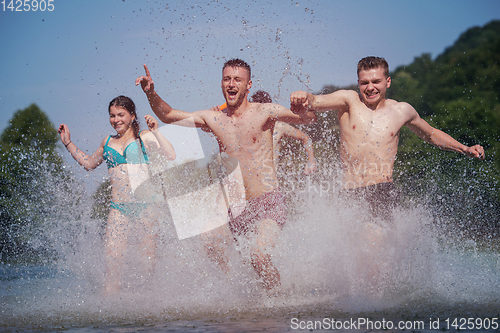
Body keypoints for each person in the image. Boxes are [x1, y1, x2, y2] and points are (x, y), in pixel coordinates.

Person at [135, 59, 316, 290]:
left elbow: (308, 119)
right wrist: (151, 94)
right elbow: (168, 115)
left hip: (268, 201)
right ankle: (254, 303)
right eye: (227, 79)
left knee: (258, 255)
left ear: (248, 85)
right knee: (229, 253)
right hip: (237, 209)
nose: (231, 84)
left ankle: (278, 302)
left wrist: (304, 104)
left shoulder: (266, 112)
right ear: (221, 84)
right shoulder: (214, 119)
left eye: (237, 79)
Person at [290, 56, 484, 218]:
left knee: (371, 245)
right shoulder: (348, 100)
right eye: (365, 82)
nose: (370, 87)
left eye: (376, 82)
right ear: (358, 83)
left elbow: (432, 134)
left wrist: (464, 148)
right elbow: (315, 101)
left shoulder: (402, 111)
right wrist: (303, 96)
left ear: (387, 82)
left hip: (381, 191)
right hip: (349, 193)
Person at [58, 95, 176, 294]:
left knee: (147, 270)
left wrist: (157, 132)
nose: (116, 120)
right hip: (119, 210)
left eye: (121, 115)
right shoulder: (107, 142)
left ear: (132, 116)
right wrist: (68, 143)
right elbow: (88, 163)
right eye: (112, 116)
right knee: (112, 269)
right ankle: (112, 319)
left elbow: (171, 155)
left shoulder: (144, 137)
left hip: (146, 209)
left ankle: (148, 316)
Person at [249, 90, 317, 175]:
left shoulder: (279, 127)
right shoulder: (245, 127)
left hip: (270, 180)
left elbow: (305, 137)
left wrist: (311, 160)